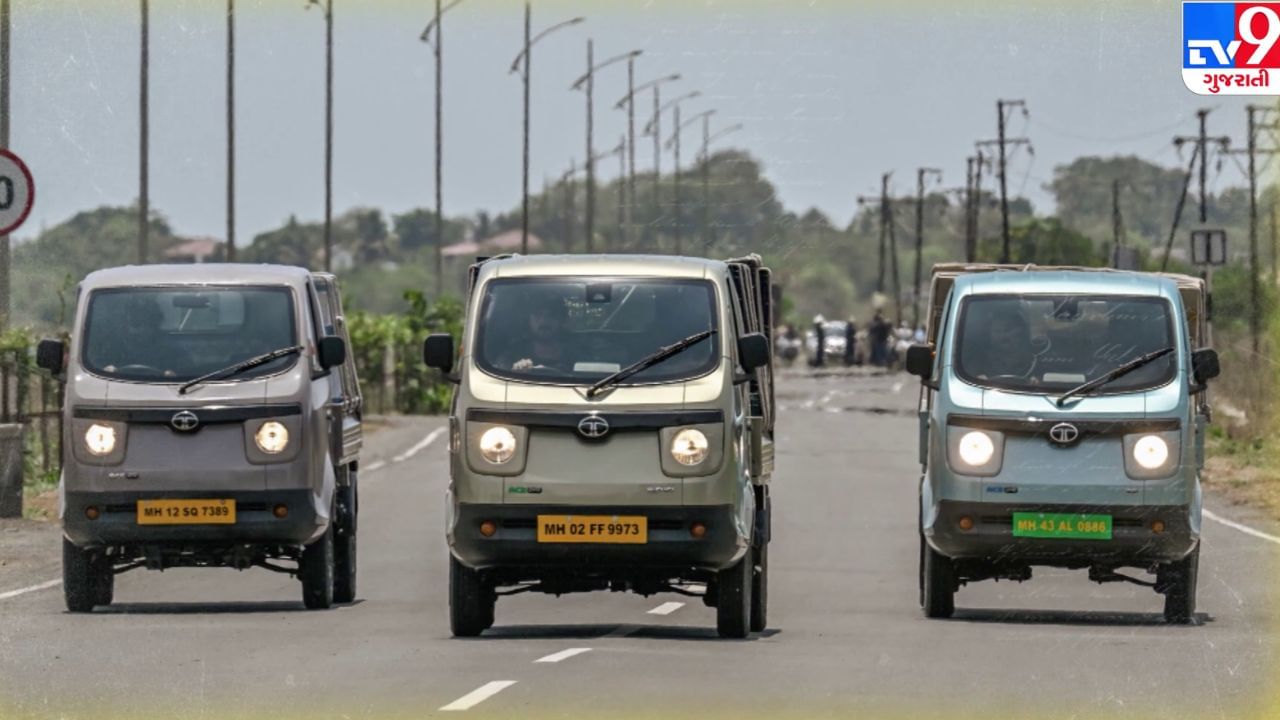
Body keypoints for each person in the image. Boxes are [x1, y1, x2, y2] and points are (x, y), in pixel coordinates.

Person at [509, 294, 569, 371]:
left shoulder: (575, 353)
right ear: (529, 319)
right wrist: (516, 369)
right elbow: (501, 370)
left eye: (551, 315)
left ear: (562, 320)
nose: (543, 321)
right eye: (537, 315)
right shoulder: (515, 352)